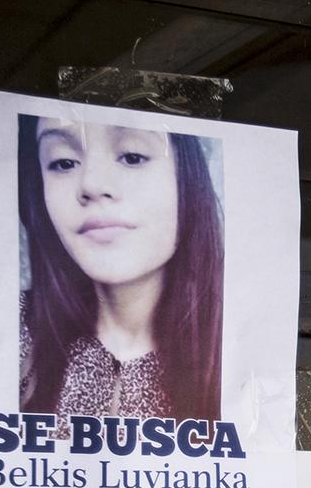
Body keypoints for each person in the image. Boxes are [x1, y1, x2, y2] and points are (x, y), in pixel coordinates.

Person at [17, 114, 224, 424]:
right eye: (62, 162)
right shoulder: (9, 329)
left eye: (132, 156)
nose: (91, 185)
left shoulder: (239, 346)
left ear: (188, 177)